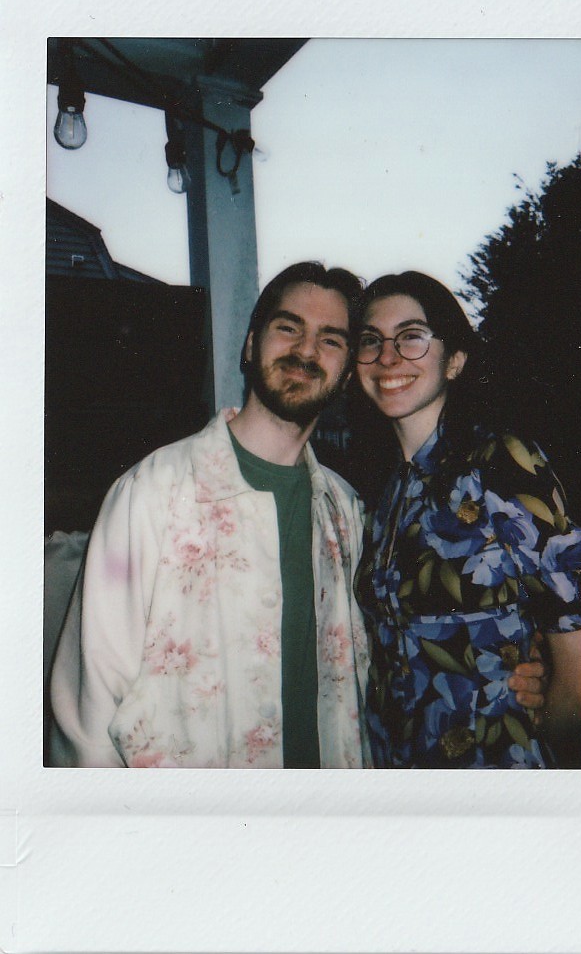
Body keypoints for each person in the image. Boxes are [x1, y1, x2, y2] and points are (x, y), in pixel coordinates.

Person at [49, 261, 546, 769]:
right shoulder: (152, 493)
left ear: (349, 370)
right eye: (288, 327)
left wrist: (529, 665)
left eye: (331, 339)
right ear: (250, 345)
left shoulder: (348, 511)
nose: (306, 351)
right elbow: (85, 713)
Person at [352, 271, 581, 769]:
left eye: (411, 337)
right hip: (396, 769)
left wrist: (542, 725)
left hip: (490, 770)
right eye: (371, 341)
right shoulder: (386, 489)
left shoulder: (502, 462)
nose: (388, 357)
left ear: (455, 361)